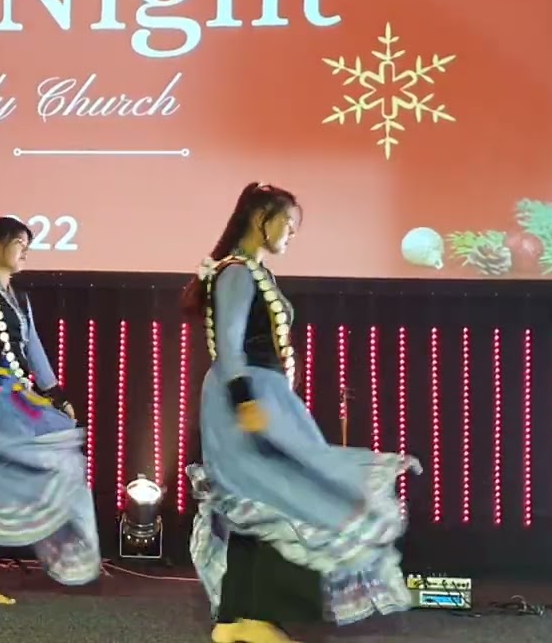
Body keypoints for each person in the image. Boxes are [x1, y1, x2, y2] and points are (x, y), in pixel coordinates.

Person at [180, 183, 420, 643]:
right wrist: (247, 402)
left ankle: (236, 619)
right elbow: (230, 347)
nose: (290, 231)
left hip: (263, 393)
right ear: (260, 219)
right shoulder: (237, 273)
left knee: (259, 505)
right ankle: (251, 617)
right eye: (286, 221)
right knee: (282, 500)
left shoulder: (250, 271)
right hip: (247, 394)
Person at [0, 216, 101, 604]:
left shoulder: (18, 298)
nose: (25, 251)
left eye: (28, 245)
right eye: (19, 243)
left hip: (15, 396)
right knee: (16, 483)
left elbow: (35, 350)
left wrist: (56, 393)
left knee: (36, 478)